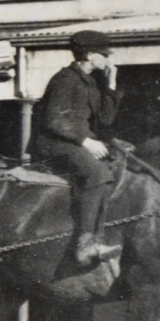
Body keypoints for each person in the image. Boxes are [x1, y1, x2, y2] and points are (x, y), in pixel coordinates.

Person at [32, 29, 124, 265]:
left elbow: (104, 119)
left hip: (73, 141)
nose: (108, 59)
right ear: (91, 55)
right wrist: (86, 141)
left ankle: (102, 231)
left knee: (122, 162)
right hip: (54, 144)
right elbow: (54, 120)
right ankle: (85, 245)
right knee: (97, 173)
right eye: (105, 55)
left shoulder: (91, 82)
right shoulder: (64, 80)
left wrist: (111, 85)